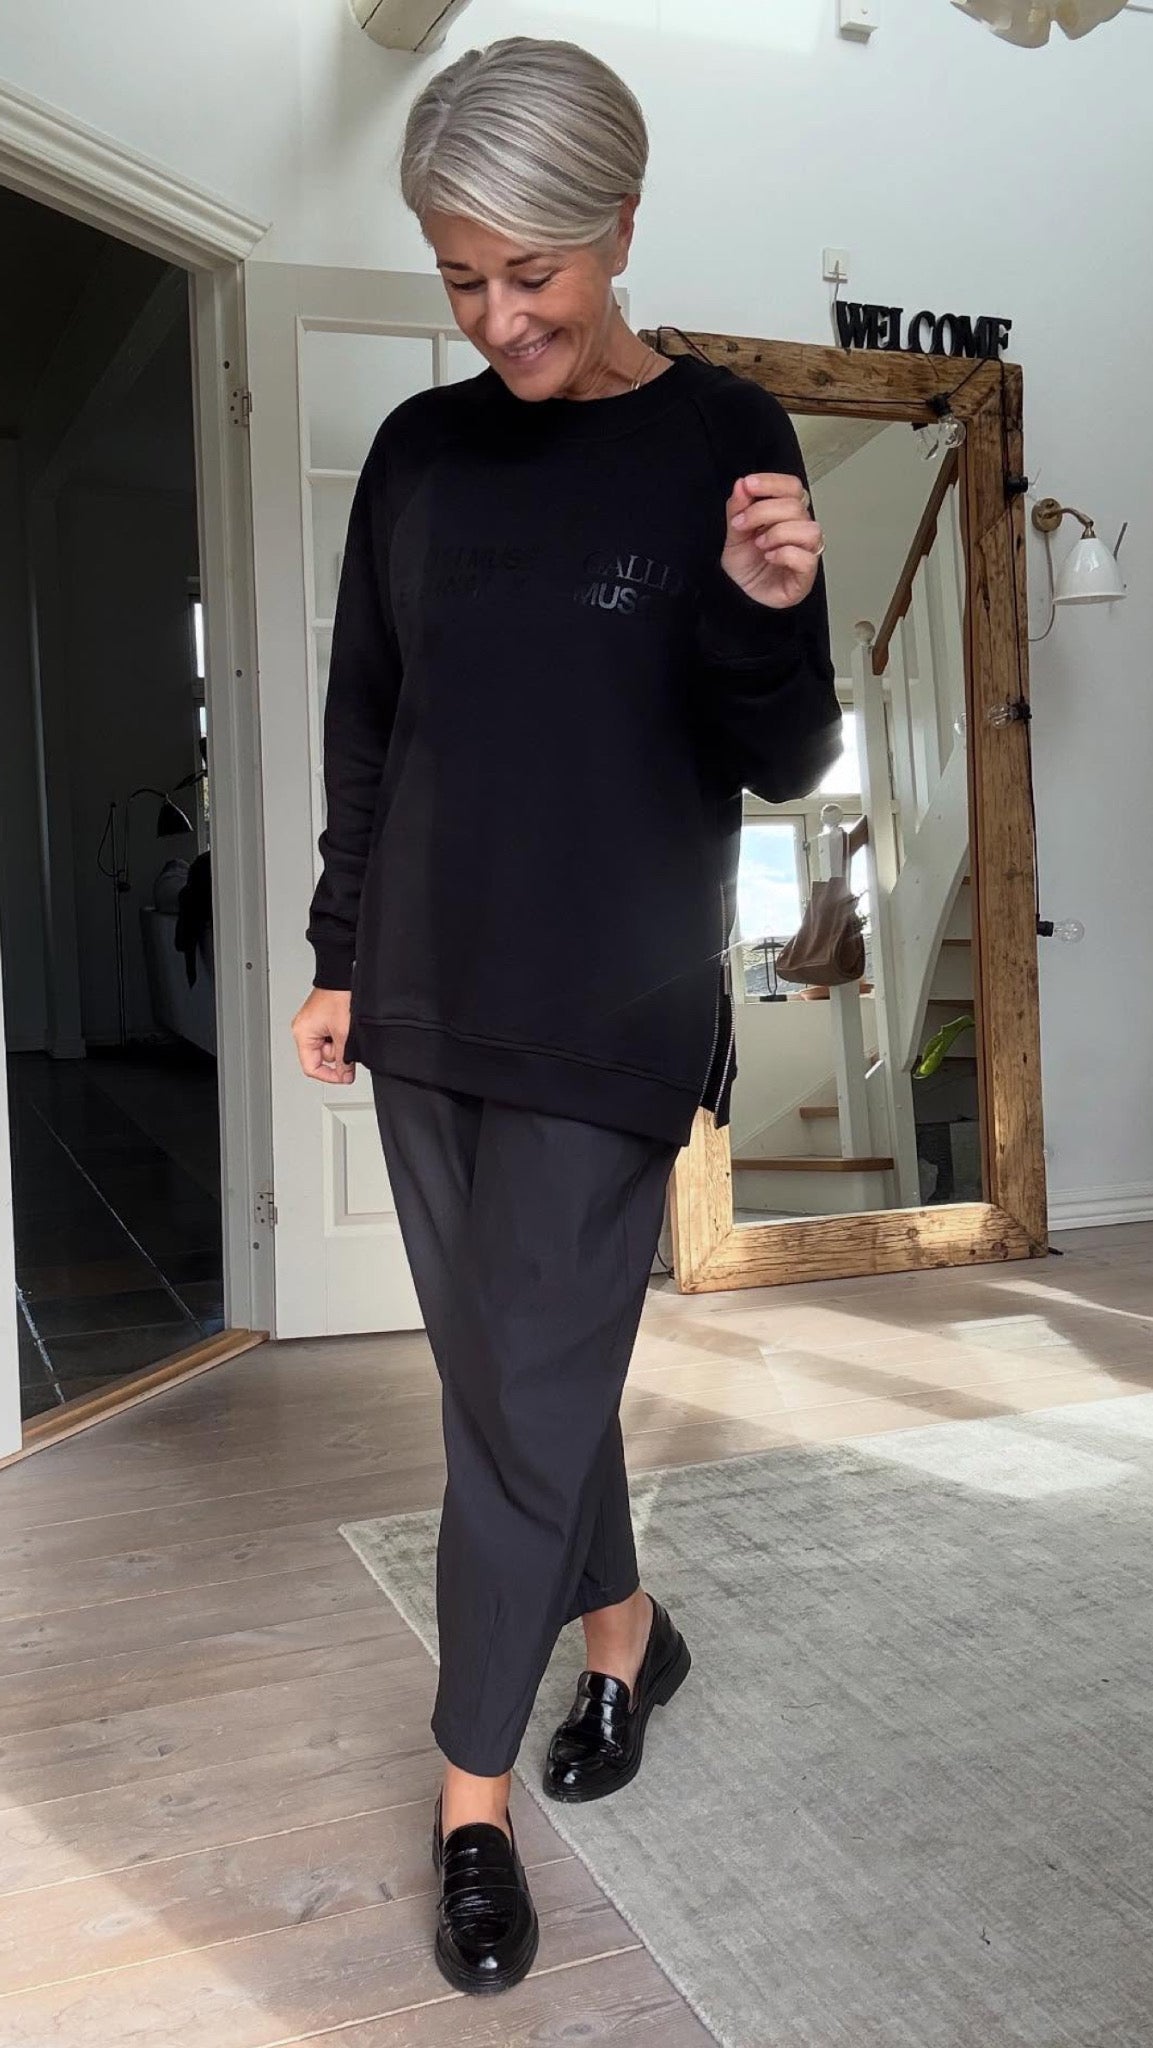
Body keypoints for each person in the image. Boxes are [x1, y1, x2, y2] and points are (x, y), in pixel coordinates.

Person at [291, 35, 839, 1998]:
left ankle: (469, 1802)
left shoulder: (722, 436)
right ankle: (624, 1635)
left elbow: (783, 758)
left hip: (614, 1011)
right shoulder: (422, 457)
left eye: (531, 271)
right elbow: (371, 722)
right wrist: (337, 949)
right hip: (427, 994)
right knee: (509, 1386)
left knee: (517, 1406)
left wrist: (767, 609)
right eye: (460, 277)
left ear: (616, 223)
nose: (498, 315)